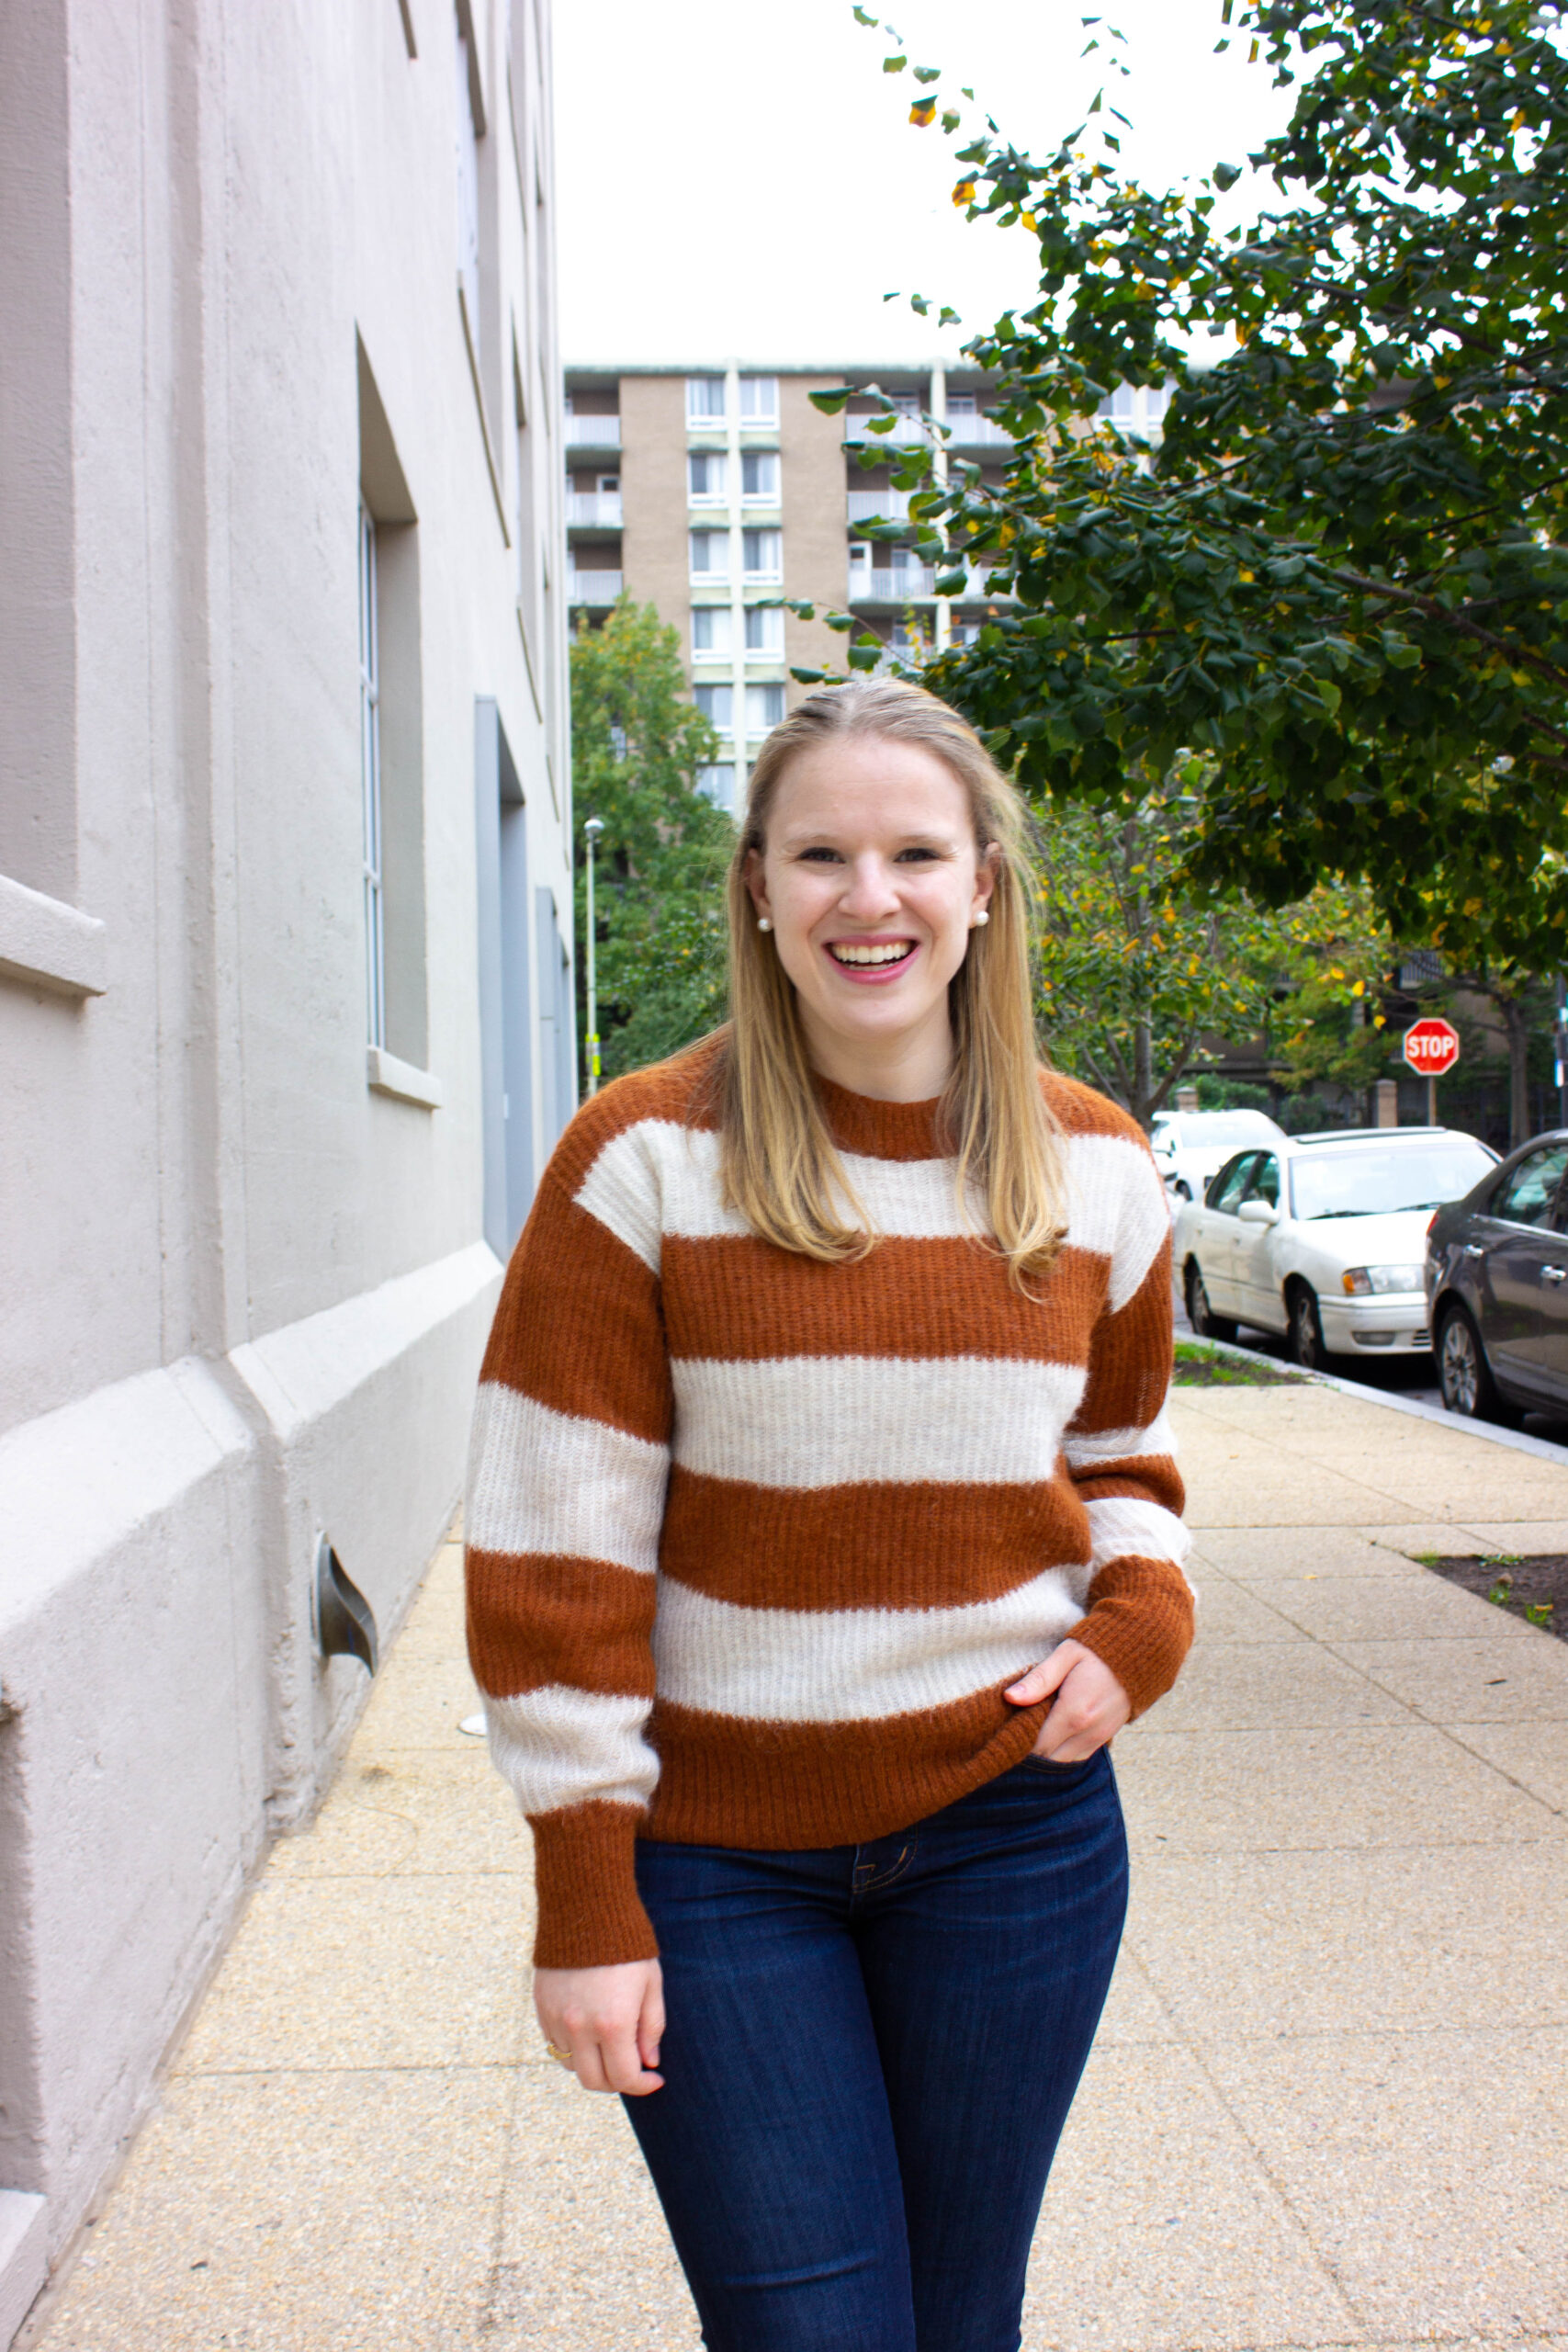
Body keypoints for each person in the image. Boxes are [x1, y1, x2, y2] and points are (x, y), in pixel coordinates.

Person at [464, 678, 1192, 2352]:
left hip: (1016, 1840)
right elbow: (551, 1552)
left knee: (960, 2319)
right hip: (721, 1867)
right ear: (759, 888)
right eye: (822, 856)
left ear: (985, 883)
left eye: (916, 853)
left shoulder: (1096, 1167)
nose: (871, 899)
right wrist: (585, 1896)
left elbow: (1128, 1453)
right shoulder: (640, 1158)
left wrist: (1139, 1625)